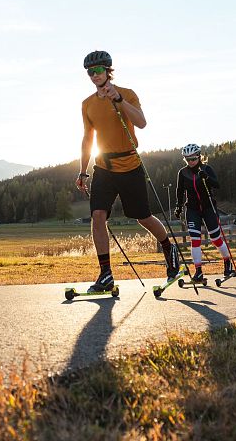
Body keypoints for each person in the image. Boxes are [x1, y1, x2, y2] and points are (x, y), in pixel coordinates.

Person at [75, 50, 180, 292]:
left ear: (108, 71)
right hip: (103, 167)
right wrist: (83, 171)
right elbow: (87, 139)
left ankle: (169, 248)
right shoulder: (87, 104)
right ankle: (105, 274)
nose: (93, 75)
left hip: (130, 166)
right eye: (89, 72)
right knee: (98, 216)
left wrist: (119, 100)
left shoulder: (128, 94)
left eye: (98, 70)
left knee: (142, 217)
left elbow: (142, 123)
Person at [174, 144, 234, 280]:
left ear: (199, 156)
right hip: (192, 209)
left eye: (193, 159)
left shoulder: (206, 168)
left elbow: (217, 185)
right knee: (195, 240)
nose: (190, 162)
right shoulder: (182, 173)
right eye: (187, 160)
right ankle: (198, 271)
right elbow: (179, 191)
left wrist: (206, 177)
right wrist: (178, 206)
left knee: (215, 239)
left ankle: (227, 263)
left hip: (208, 208)